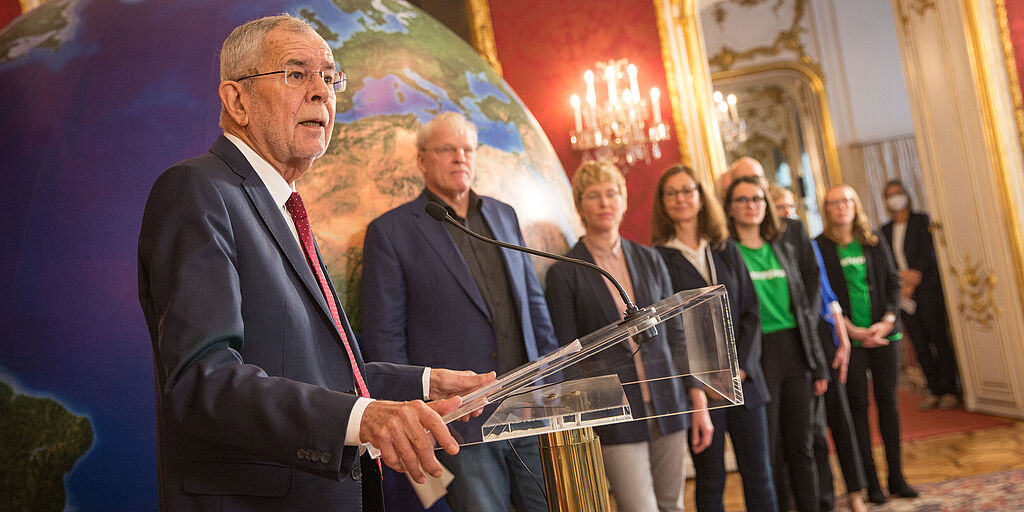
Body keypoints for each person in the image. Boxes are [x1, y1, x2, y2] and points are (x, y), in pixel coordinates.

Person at [138, 15, 494, 512]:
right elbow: (206, 381)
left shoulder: (283, 206)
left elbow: (318, 372)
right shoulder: (197, 192)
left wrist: (426, 383)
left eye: (329, 77)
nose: (322, 93)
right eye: (296, 73)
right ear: (236, 100)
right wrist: (365, 418)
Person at [360, 111, 558, 512]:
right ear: (422, 160)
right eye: (447, 149)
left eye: (467, 149)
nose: (460, 157)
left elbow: (533, 305)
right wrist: (411, 414)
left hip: (529, 406)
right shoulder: (391, 232)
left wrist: (553, 379)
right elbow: (386, 338)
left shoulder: (504, 215)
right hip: (463, 421)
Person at [544, 161, 714, 512]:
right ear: (579, 206)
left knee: (673, 505)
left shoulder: (651, 259)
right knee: (639, 507)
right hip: (614, 411)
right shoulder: (565, 273)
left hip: (667, 402)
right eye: (594, 196)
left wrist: (698, 403)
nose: (605, 202)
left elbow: (677, 336)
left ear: (623, 202)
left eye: (612, 194)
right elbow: (567, 357)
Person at [652, 165, 778, 512]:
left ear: (701, 197)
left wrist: (742, 369)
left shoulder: (726, 249)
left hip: (744, 383)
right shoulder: (658, 259)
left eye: (687, 190)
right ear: (662, 203)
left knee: (760, 475)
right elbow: (669, 331)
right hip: (700, 393)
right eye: (671, 193)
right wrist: (701, 382)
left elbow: (752, 313)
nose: (681, 199)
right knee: (711, 481)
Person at [724, 177, 829, 512]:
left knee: (802, 445)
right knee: (769, 450)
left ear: (766, 205)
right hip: (756, 356)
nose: (751, 205)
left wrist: (817, 363)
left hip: (794, 352)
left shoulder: (782, 246)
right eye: (741, 200)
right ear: (729, 207)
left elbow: (804, 311)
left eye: (757, 198)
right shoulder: (725, 254)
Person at [816, 185, 919, 504]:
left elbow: (892, 281)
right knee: (857, 411)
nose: (841, 207)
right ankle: (870, 482)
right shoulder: (820, 247)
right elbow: (825, 295)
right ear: (827, 209)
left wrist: (887, 320)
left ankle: (897, 477)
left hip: (885, 334)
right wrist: (853, 331)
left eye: (846, 201)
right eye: (834, 203)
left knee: (889, 404)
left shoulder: (873, 240)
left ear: (856, 205)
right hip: (849, 340)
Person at [772, 186, 868, 512]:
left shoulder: (803, 241)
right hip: (794, 346)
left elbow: (825, 291)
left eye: (790, 207)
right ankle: (822, 499)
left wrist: (841, 331)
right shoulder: (767, 247)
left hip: (822, 339)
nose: (786, 214)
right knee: (811, 432)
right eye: (779, 208)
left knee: (839, 418)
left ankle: (855, 490)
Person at [881, 180, 960, 410]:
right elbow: (887, 262)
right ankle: (934, 389)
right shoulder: (885, 229)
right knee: (919, 342)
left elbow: (928, 254)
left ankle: (950, 389)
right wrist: (900, 279)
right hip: (903, 296)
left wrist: (913, 280)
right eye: (890, 195)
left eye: (898, 193)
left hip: (927, 289)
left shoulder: (921, 221)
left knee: (938, 338)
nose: (895, 197)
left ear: (906, 195)